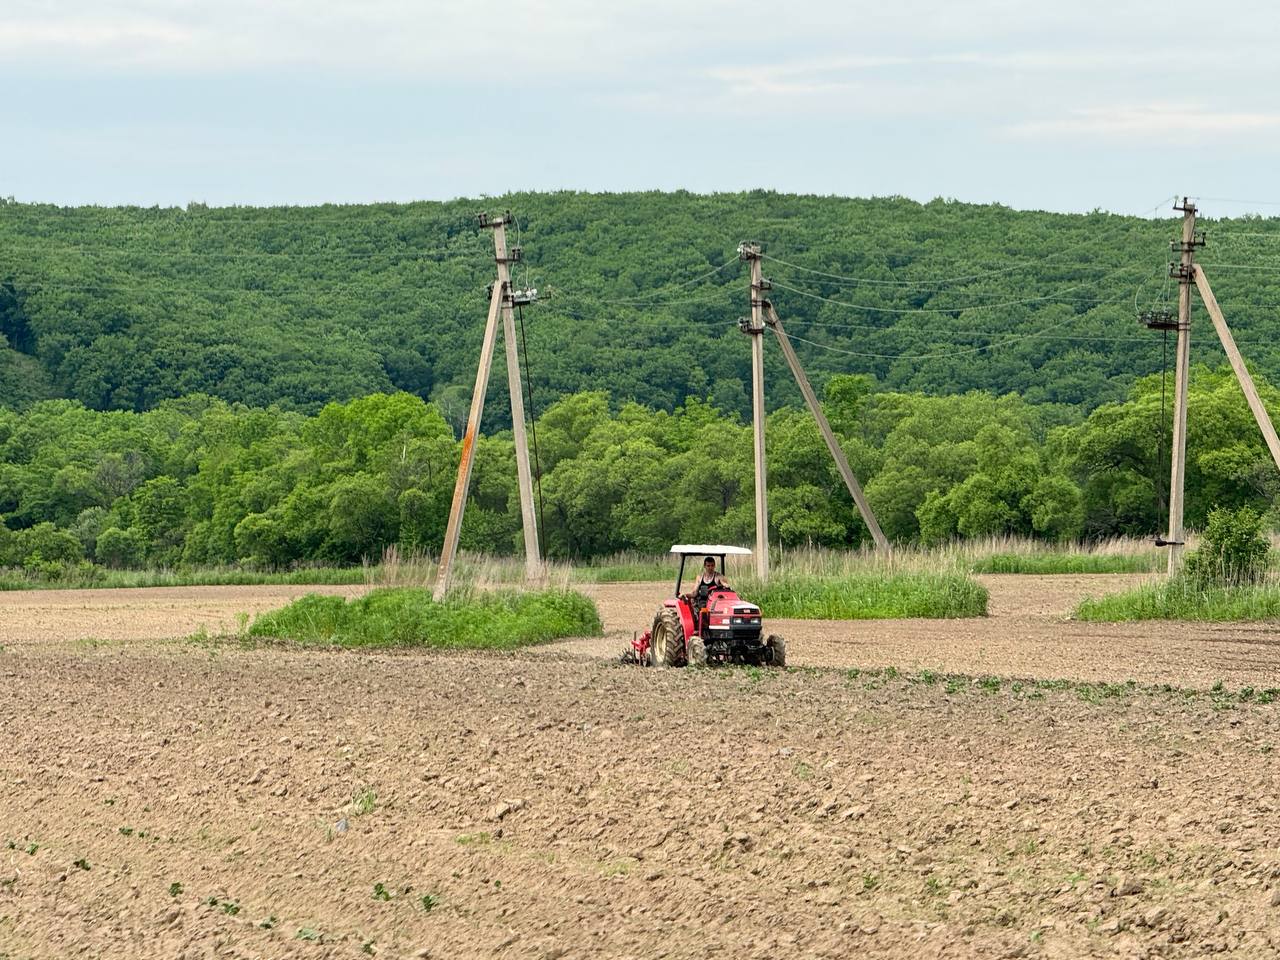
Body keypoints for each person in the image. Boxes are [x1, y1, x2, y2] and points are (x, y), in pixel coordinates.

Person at [687, 556, 727, 625]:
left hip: (715, 601)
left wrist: (726, 585)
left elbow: (725, 584)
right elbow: (694, 593)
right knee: (703, 609)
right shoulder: (700, 577)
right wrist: (687, 595)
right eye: (708, 566)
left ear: (714, 566)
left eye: (712, 565)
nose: (710, 568)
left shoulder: (718, 576)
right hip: (703, 601)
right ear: (704, 566)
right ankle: (703, 627)